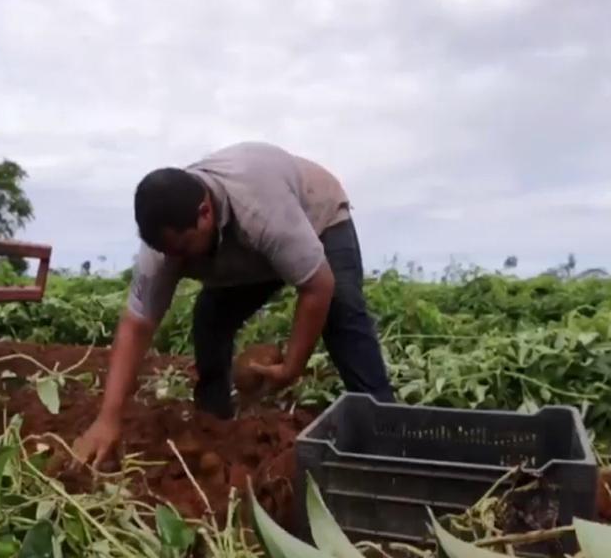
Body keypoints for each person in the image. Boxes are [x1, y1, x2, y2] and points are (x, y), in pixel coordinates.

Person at [73, 141, 395, 468]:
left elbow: (318, 286)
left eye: (183, 250)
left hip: (315, 215)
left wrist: (291, 368)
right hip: (250, 249)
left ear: (205, 212)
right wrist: (108, 418)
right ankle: (214, 422)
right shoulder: (163, 251)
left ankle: (386, 430)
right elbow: (136, 325)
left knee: (341, 310)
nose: (176, 263)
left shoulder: (261, 211)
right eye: (168, 254)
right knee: (210, 318)